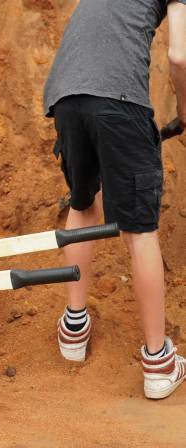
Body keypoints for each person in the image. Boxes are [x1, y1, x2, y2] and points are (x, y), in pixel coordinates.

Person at [44, 0, 186, 399]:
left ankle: (74, 329)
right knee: (139, 232)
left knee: (82, 203)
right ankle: (159, 362)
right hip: (120, 99)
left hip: (67, 96)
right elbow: (179, 56)